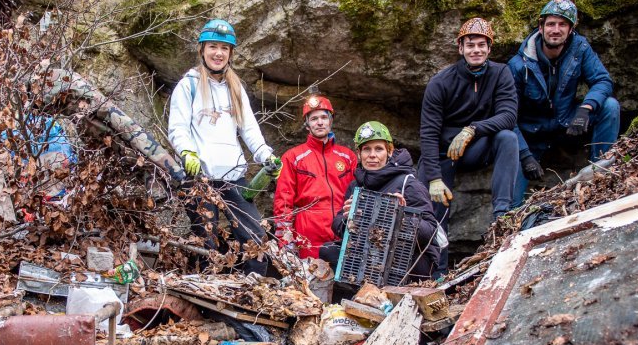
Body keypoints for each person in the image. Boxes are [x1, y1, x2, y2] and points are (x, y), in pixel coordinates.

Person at [168, 18, 279, 275]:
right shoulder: (189, 85)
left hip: (233, 178)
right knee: (206, 243)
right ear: (202, 49)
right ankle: (206, 295)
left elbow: (249, 129)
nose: (219, 53)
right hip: (200, 178)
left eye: (225, 48)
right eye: (213, 46)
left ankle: (255, 289)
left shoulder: (235, 87)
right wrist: (187, 152)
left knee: (254, 236)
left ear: (231, 53)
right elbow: (178, 127)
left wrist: (266, 156)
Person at [418, 17, 519, 276]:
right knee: (434, 205)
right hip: (443, 153)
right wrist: (434, 178)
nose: (476, 50)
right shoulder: (441, 82)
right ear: (460, 48)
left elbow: (509, 116)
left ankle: (502, 215)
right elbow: (428, 133)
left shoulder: (501, 73)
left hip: (477, 146)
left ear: (489, 48)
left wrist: (472, 129)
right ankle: (436, 270)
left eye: (482, 45)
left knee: (507, 137)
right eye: (470, 44)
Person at [508, 0, 620, 208]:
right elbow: (507, 116)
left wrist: (586, 109)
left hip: (567, 122)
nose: (556, 30)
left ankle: (600, 172)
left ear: (571, 29)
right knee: (510, 204)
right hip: (531, 135)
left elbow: (603, 80)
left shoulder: (580, 49)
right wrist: (525, 156)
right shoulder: (517, 65)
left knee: (609, 106)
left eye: (562, 24)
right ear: (540, 28)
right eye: (551, 24)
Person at [320, 121, 440, 283]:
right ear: (359, 154)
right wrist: (346, 219)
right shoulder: (356, 185)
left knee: (400, 260)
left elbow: (431, 232)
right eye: (366, 149)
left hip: (407, 257)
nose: (372, 155)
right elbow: (338, 226)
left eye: (379, 149)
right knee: (327, 251)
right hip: (371, 253)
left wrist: (403, 216)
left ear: (389, 152)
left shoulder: (408, 183)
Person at [273, 95, 356, 258]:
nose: (319, 122)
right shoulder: (293, 157)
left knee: (344, 282)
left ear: (331, 121)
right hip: (308, 233)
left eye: (324, 117)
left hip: (343, 228)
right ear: (307, 125)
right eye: (314, 118)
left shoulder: (348, 156)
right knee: (311, 281)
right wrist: (284, 239)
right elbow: (283, 200)